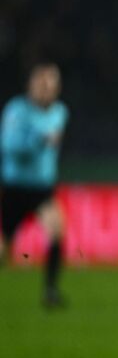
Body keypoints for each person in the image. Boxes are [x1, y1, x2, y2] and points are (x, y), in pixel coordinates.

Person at [0, 62, 69, 308]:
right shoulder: (16, 110)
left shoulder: (60, 111)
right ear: (31, 85)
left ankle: (50, 291)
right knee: (4, 250)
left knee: (57, 230)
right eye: (41, 84)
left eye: (50, 85)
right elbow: (9, 147)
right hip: (16, 188)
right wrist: (38, 141)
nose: (46, 89)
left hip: (42, 189)